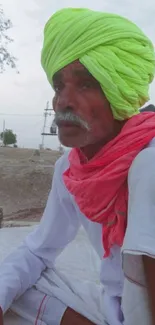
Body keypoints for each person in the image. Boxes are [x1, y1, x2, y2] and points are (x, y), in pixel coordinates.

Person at [1, 7, 155, 325]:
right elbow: (37, 250)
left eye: (85, 84)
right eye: (59, 86)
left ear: (120, 92)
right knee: (12, 282)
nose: (63, 101)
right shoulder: (70, 170)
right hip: (116, 308)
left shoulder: (149, 159)